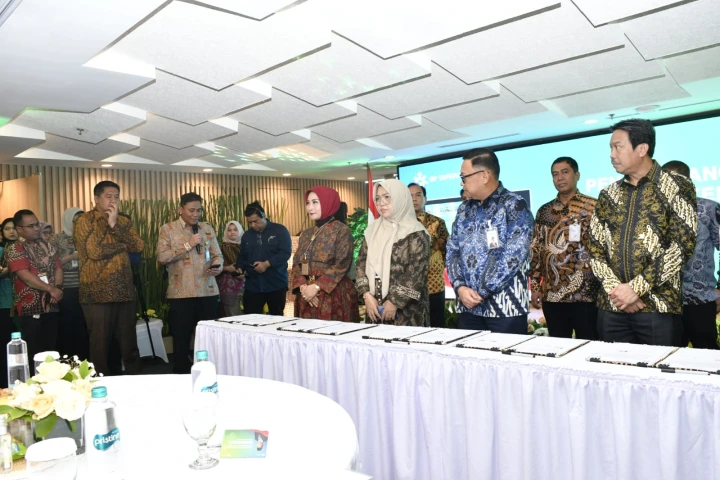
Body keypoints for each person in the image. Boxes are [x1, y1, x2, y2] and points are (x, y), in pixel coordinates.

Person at [589, 120, 697, 346]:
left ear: (642, 149)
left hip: (658, 306)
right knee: (612, 367)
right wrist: (618, 292)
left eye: (618, 147)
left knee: (659, 368)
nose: (612, 154)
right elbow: (595, 249)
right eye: (611, 148)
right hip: (612, 306)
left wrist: (636, 289)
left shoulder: (677, 186)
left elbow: (682, 245)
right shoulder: (608, 194)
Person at [447, 148, 534, 333]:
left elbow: (514, 256)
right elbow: (452, 251)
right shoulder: (464, 209)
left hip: (506, 309)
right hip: (468, 307)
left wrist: (482, 292)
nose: (462, 182)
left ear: (484, 176)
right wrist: (460, 287)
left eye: (464, 177)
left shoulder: (514, 205)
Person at [75, 181, 144, 375]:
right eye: (109, 196)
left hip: (124, 290)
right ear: (96, 199)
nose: (113, 200)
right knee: (100, 346)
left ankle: (136, 381)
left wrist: (115, 225)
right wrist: (121, 245)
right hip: (97, 292)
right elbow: (95, 251)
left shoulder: (123, 221)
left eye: (116, 197)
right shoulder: (85, 220)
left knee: (130, 345)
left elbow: (138, 246)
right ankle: (100, 386)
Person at [529, 157, 600, 339]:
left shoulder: (594, 207)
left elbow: (604, 249)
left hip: (587, 294)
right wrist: (535, 286)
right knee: (558, 347)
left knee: (589, 346)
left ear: (577, 175)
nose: (559, 178)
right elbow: (536, 250)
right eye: (555, 174)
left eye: (565, 172)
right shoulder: (544, 211)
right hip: (553, 295)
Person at [158, 192, 223, 374]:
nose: (196, 214)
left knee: (209, 337)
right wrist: (188, 244)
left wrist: (218, 266)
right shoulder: (167, 229)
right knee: (181, 338)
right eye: (191, 210)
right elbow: (162, 257)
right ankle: (181, 373)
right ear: (181, 210)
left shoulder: (206, 228)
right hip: (181, 294)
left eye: (199, 210)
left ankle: (210, 372)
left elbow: (217, 254)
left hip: (208, 291)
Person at [662, 160, 719, 349]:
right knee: (667, 355)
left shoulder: (708, 208)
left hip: (700, 298)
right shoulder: (655, 213)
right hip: (665, 301)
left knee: (706, 353)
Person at [356, 179, 430, 326]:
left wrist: (394, 302)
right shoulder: (372, 230)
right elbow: (360, 264)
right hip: (374, 308)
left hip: (406, 313)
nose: (381, 203)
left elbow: (416, 274)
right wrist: (366, 295)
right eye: (377, 198)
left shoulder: (416, 232)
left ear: (400, 198)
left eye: (387, 197)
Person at [291, 186, 360, 322]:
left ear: (328, 202)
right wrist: (304, 287)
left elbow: (341, 265)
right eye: (308, 203)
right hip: (307, 296)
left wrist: (316, 287)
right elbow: (298, 262)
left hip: (333, 295)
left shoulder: (341, 231)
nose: (310, 208)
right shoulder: (306, 234)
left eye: (315, 202)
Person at [4, 210, 62, 366]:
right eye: (31, 226)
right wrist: (51, 289)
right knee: (34, 352)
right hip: (29, 308)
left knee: (51, 350)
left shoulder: (46, 245)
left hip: (51, 304)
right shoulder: (14, 249)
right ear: (19, 229)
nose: (36, 228)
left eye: (37, 224)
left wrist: (58, 288)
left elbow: (58, 267)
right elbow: (25, 275)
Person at [235, 202, 291, 316]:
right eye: (250, 222)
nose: (253, 225)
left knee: (276, 319)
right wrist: (240, 267)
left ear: (264, 216)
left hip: (276, 284)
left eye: (255, 221)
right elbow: (242, 256)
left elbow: (285, 253)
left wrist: (267, 264)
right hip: (253, 285)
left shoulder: (280, 231)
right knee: (250, 319)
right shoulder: (247, 235)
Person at [51, 207, 89, 359]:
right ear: (67, 220)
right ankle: (67, 358)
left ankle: (85, 358)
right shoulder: (56, 239)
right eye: (75, 221)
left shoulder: (88, 237)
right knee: (68, 323)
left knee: (84, 323)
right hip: (66, 286)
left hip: (86, 285)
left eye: (81, 221)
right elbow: (52, 264)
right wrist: (73, 256)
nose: (78, 224)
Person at [409, 183, 449, 328]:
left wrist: (435, 265)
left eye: (418, 195)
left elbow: (446, 250)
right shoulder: (399, 224)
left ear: (425, 199)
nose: (414, 199)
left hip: (433, 285)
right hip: (409, 286)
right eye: (410, 196)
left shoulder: (437, 222)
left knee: (436, 325)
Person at [0, 218, 18, 387]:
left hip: (23, 302)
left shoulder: (24, 248)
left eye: (14, 228)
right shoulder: (1, 250)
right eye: (7, 229)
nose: (11, 231)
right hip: (5, 302)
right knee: (6, 343)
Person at [218, 221, 244, 317]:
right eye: (229, 230)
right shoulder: (220, 247)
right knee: (231, 315)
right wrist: (227, 268)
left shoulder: (247, 246)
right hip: (228, 285)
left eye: (235, 229)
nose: (232, 232)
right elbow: (215, 265)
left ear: (240, 231)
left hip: (248, 284)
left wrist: (244, 272)